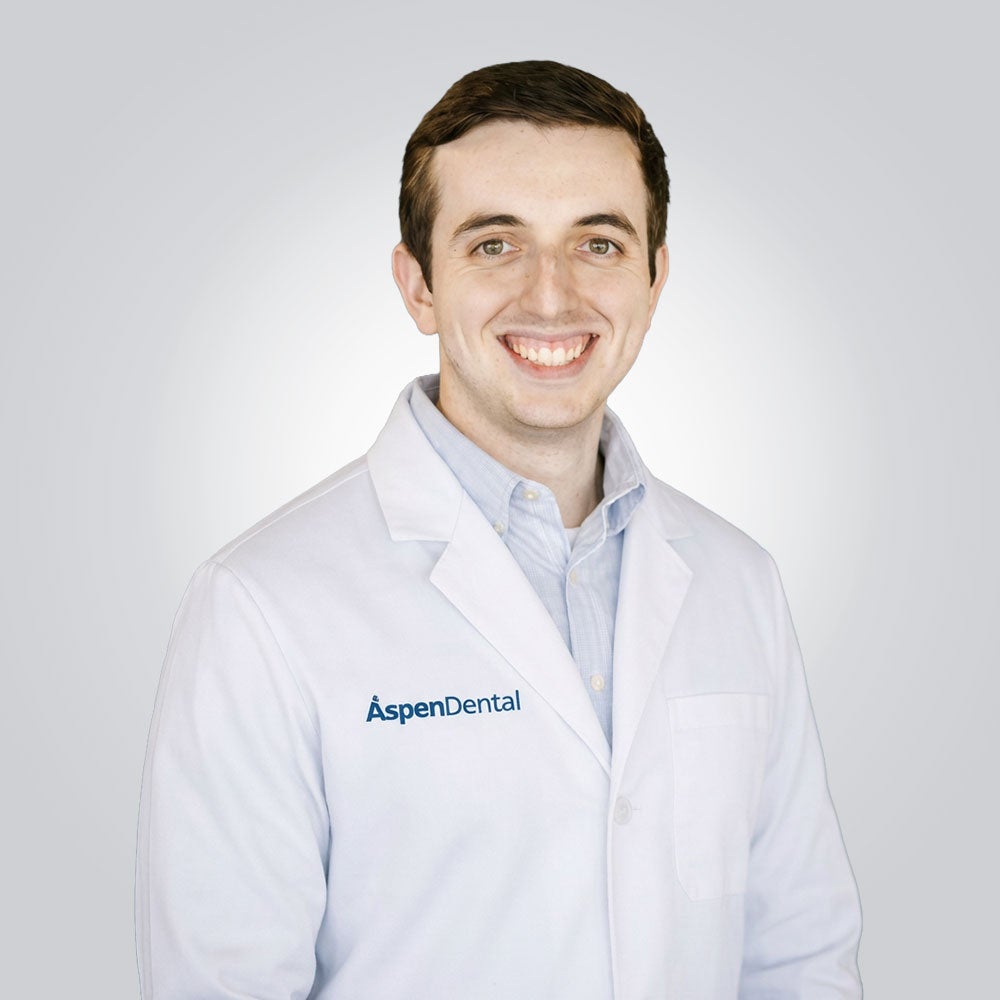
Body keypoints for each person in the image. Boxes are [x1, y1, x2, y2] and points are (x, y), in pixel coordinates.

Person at [136, 60, 862, 999]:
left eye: (597, 243)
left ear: (653, 280)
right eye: (494, 244)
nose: (551, 297)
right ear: (419, 286)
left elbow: (799, 958)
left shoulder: (738, 580)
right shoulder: (262, 607)